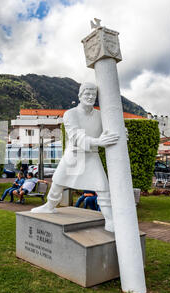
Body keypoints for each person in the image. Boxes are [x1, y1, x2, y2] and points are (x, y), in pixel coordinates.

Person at [30, 82, 120, 232]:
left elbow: (111, 129)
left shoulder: (100, 115)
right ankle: (49, 206)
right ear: (80, 96)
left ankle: (110, 219)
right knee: (58, 182)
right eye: (87, 94)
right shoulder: (70, 114)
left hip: (91, 155)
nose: (90, 97)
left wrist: (120, 133)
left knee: (103, 188)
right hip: (74, 155)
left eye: (93, 94)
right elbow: (76, 136)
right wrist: (98, 141)